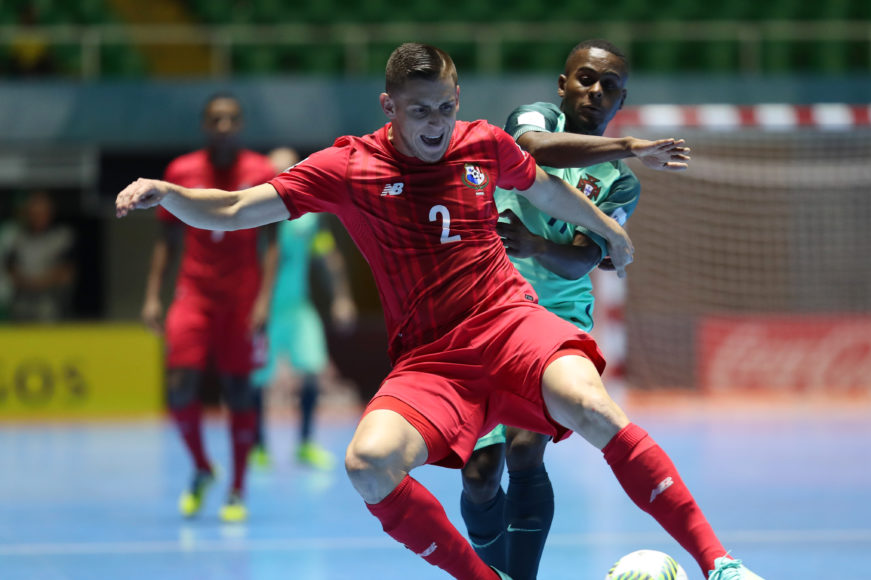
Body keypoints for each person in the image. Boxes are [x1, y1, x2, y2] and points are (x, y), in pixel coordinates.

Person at [116, 43, 762, 580]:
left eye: (446, 107)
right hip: (430, 359)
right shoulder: (348, 167)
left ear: (458, 99)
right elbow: (235, 208)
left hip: (510, 322)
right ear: (389, 106)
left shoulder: (482, 143)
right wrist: (169, 193)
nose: (436, 123)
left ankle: (720, 563)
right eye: (420, 110)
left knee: (592, 406)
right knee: (368, 464)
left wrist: (611, 231)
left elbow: (546, 190)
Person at [459, 39, 691, 580]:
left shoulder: (621, 184)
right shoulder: (534, 118)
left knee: (525, 450)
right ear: (563, 84)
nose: (596, 91)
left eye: (610, 86)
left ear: (621, 99)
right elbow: (534, 150)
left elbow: (584, 259)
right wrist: (630, 144)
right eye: (586, 79)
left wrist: (536, 245)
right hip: (488, 308)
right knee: (479, 475)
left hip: (558, 316)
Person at [140, 93, 279, 522]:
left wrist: (264, 300)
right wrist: (152, 295)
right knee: (179, 385)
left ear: (241, 125)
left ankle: (237, 489)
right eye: (216, 120)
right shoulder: (180, 172)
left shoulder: (261, 172)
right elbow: (166, 241)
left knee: (239, 392)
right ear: (204, 125)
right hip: (194, 294)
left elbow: (273, 242)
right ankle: (202, 467)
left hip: (242, 299)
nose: (223, 127)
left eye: (231, 119)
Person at [248, 147, 359, 471]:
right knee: (257, 380)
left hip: (298, 309)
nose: (281, 176)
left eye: (287, 169)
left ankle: (306, 444)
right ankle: (258, 447)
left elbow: (328, 258)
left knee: (312, 372)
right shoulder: (252, 214)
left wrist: (342, 297)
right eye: (274, 170)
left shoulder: (308, 219)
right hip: (262, 311)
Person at [6, 190, 76, 322]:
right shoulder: (17, 237)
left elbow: (67, 272)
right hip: (22, 301)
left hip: (51, 301)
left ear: (50, 213)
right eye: (34, 213)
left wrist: (41, 283)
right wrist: (28, 283)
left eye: (42, 213)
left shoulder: (61, 237)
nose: (37, 217)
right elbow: (10, 269)